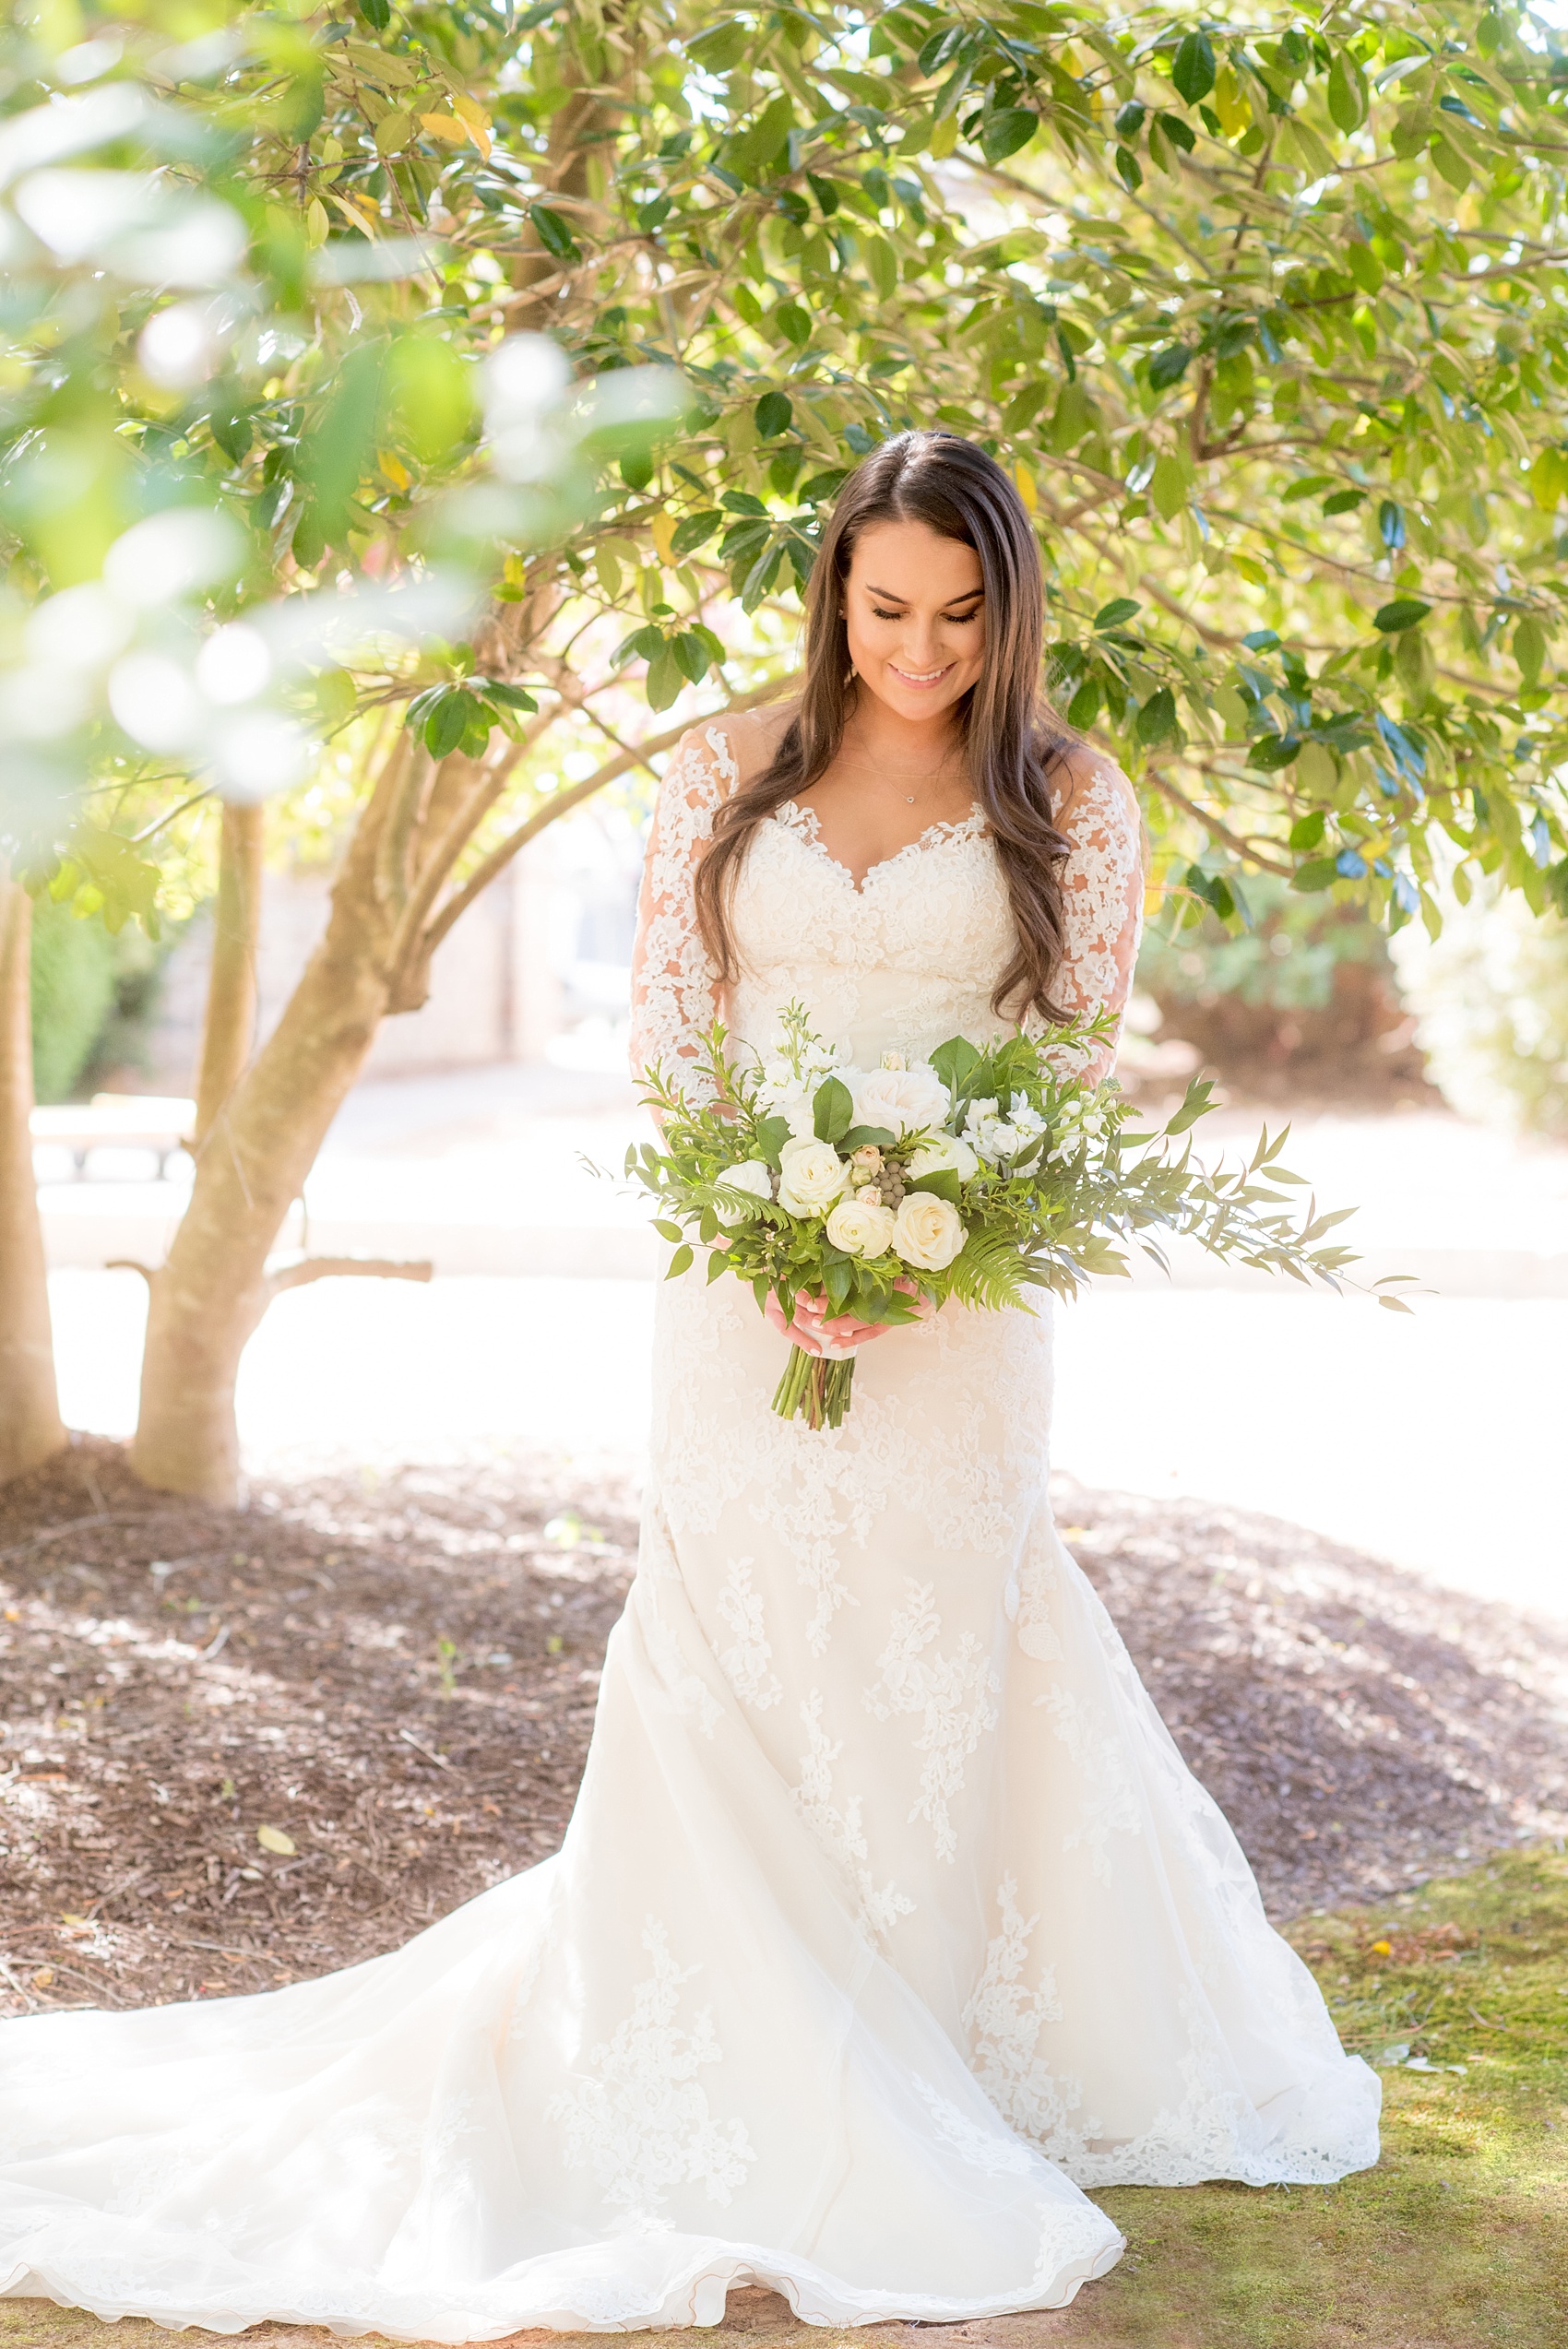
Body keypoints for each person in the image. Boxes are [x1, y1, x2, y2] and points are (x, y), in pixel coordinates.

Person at [0, 433, 1378, 2340]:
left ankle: (914, 2041)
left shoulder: (1071, 792)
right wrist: (777, 1244)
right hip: (738, 1284)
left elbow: (1064, 1067)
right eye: (884, 607)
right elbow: (668, 1037)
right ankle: (715, 2042)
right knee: (731, 1644)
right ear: (832, 592)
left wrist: (923, 1251)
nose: (919, 648)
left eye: (962, 615)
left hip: (963, 1312)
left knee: (930, 1640)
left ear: (1010, 610)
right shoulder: (724, 766)